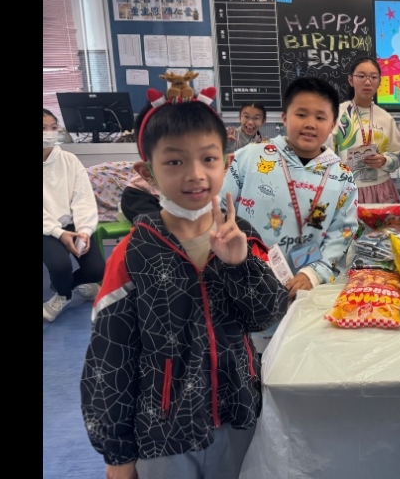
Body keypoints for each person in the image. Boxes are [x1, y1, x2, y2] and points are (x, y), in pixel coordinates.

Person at [81, 90, 288, 479]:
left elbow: (266, 315)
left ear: (226, 163)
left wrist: (239, 264)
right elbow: (109, 360)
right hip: (163, 433)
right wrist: (117, 455)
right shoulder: (133, 253)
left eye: (208, 158)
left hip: (239, 417)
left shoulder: (241, 235)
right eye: (175, 161)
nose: (195, 174)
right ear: (147, 172)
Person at [222, 76, 359, 301]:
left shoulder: (342, 176)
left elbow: (342, 232)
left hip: (305, 287)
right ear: (285, 117)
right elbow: (220, 209)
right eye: (301, 114)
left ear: (333, 125)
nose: (310, 124)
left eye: (320, 117)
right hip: (243, 278)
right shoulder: (248, 157)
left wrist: (314, 273)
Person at [43, 108, 105, 322]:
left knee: (97, 270)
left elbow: (83, 198)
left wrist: (85, 230)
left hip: (72, 224)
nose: (49, 133)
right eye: (43, 128)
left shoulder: (69, 160)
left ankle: (66, 284)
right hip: (46, 228)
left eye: (53, 127)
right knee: (60, 266)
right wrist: (59, 233)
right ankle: (63, 295)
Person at [333, 57, 400, 204]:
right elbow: (323, 155)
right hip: (347, 190)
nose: (367, 82)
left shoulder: (386, 118)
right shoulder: (336, 115)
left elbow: (399, 156)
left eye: (373, 77)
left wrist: (384, 160)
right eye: (361, 76)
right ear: (351, 80)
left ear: (379, 82)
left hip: (382, 190)